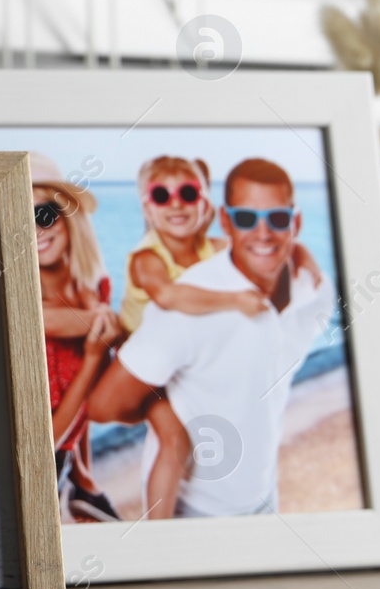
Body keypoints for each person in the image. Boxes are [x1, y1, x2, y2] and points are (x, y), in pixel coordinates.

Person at [87, 158, 336, 518]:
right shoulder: (156, 270)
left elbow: (266, 246)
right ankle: (155, 536)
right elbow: (104, 405)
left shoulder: (312, 291)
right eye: (247, 218)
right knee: (174, 440)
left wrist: (304, 257)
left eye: (278, 219)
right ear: (227, 220)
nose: (263, 232)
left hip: (264, 503)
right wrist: (234, 302)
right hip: (136, 359)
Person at [30, 152, 123, 523]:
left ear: (68, 214)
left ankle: (82, 487)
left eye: (43, 214)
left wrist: (85, 477)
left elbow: (81, 403)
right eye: (19, 219)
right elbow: (45, 443)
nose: (35, 230)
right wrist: (96, 357)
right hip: (42, 467)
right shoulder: (26, 308)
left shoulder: (94, 286)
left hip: (69, 461)